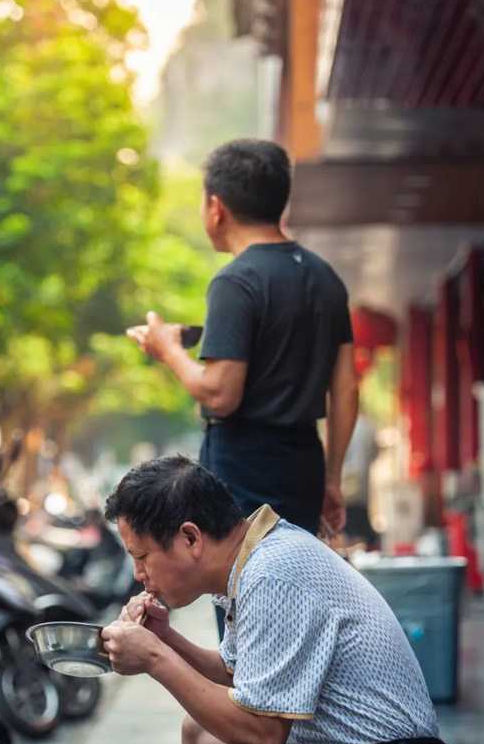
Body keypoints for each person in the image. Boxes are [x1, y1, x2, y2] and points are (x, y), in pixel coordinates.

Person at [101, 457, 447, 744]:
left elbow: (262, 736)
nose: (140, 574)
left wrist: (156, 660)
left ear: (189, 538)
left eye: (141, 556)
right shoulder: (258, 559)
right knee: (199, 733)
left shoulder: (274, 574)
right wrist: (167, 639)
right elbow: (236, 676)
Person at [126, 138, 359, 544]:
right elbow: (345, 389)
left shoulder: (236, 281)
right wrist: (331, 479)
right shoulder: (325, 278)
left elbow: (220, 394)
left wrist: (168, 350)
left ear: (216, 207)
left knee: (245, 595)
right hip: (305, 461)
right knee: (294, 594)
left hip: (245, 472)